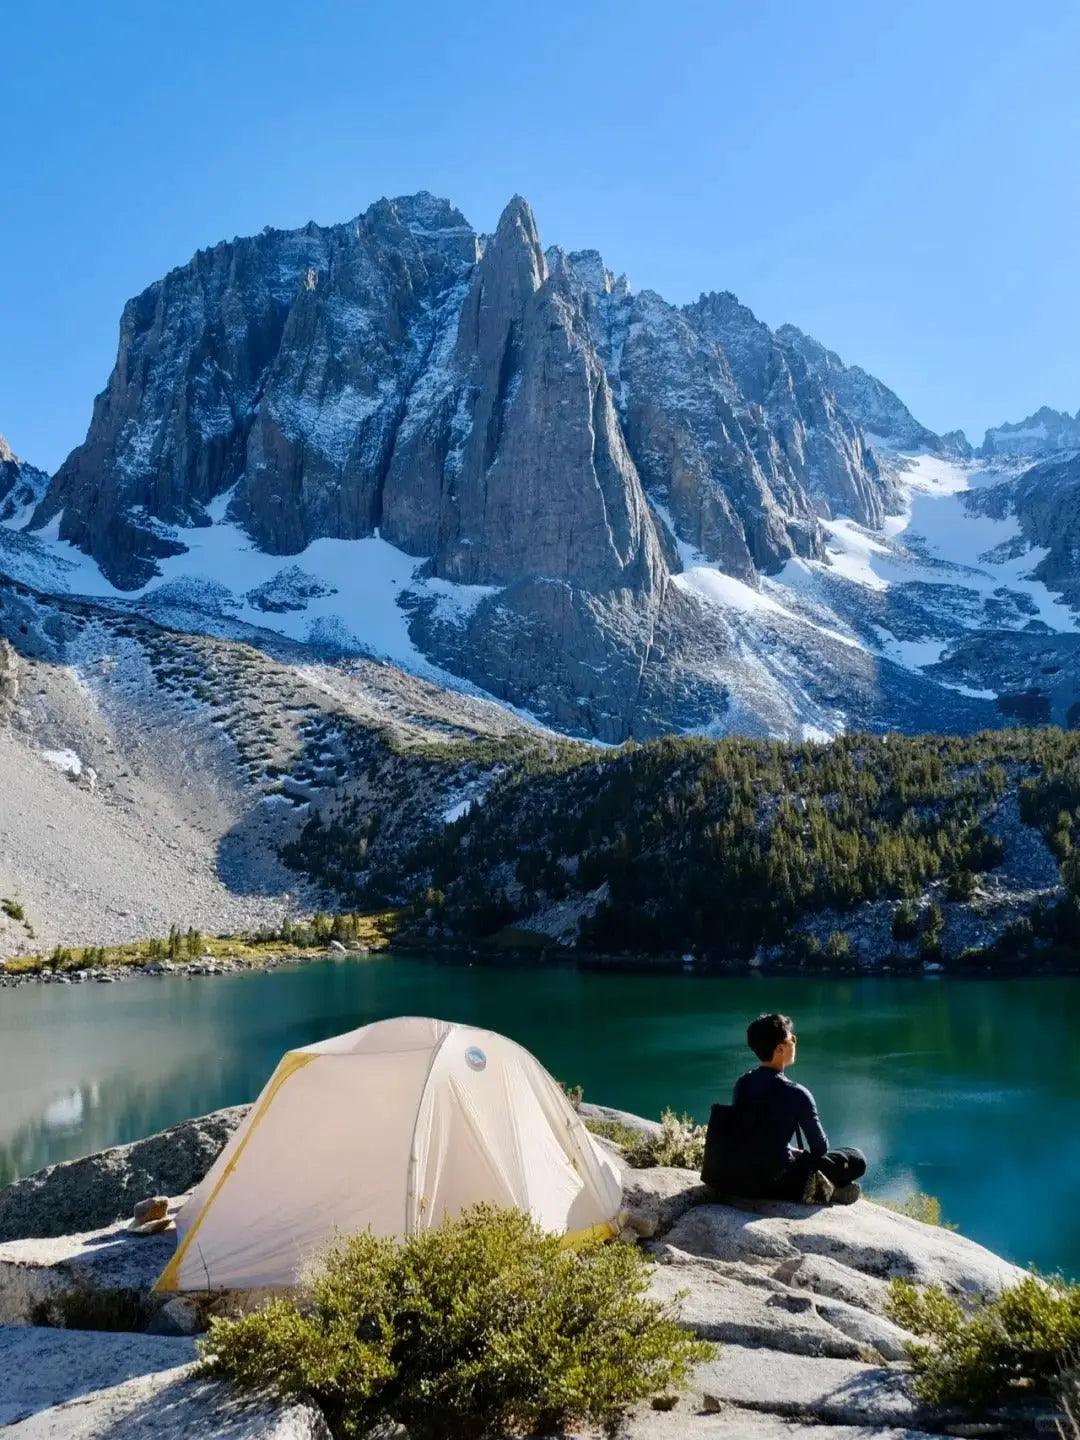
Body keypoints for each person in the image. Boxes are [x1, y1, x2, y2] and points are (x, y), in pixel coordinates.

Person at [725, 1012, 866, 1205]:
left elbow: (751, 1135)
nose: (795, 1042)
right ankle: (825, 1190)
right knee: (856, 1159)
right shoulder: (797, 1094)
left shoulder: (742, 1084)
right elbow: (819, 1148)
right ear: (780, 1049)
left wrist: (787, 1148)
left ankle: (827, 1188)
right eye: (793, 1038)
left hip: (744, 1179)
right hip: (781, 1183)